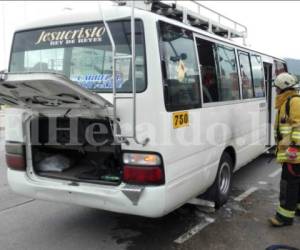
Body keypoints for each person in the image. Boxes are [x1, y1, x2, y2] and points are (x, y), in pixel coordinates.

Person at [269, 72, 300, 227]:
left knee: (288, 185)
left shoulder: (293, 102)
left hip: (293, 155)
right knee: (296, 183)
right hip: (293, 154)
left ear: (283, 89)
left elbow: (298, 126)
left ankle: (284, 217)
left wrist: (293, 147)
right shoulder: (288, 101)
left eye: (277, 89)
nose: (275, 91)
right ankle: (296, 208)